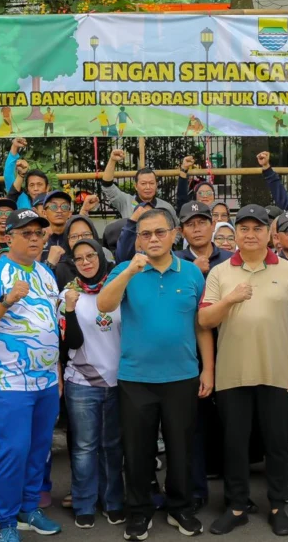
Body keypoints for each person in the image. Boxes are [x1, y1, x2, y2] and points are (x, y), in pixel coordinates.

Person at [97, 208, 215, 540]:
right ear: (138, 239)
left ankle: (179, 507)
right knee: (137, 450)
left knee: (181, 448)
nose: (153, 239)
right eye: (146, 234)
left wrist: (208, 369)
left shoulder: (192, 273)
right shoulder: (125, 269)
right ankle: (139, 511)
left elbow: (201, 326)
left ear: (174, 234)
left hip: (182, 376)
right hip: (136, 378)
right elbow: (104, 305)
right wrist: (129, 272)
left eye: (159, 232)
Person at [199, 205, 288, 536]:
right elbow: (204, 321)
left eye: (257, 228)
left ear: (269, 234)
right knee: (234, 443)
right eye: (243, 228)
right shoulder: (220, 273)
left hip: (277, 372)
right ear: (235, 235)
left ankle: (278, 505)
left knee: (277, 443)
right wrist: (231, 299)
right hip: (233, 374)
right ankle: (236, 506)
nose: (250, 234)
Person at [0, 209, 66, 541]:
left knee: (40, 449)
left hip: (46, 381)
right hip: (7, 381)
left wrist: (57, 374)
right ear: (9, 236)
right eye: (26, 233)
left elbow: (52, 326)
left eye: (39, 233)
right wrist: (7, 300)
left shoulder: (46, 274)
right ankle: (7, 522)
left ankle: (29, 508)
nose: (35, 239)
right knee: (14, 450)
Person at [60, 237, 122, 529]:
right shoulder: (68, 294)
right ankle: (84, 502)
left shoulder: (119, 288)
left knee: (112, 445)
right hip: (82, 383)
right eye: (79, 258)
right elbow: (71, 343)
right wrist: (70, 310)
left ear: (101, 256)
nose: (85, 262)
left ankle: (113, 501)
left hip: (118, 381)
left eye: (90, 256)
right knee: (85, 447)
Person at [100, 149, 177, 220]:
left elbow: (176, 231)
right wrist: (112, 160)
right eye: (143, 183)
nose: (148, 187)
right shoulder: (125, 202)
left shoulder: (167, 207)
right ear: (136, 186)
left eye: (151, 183)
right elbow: (107, 186)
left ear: (156, 185)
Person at [2, 139, 51, 210]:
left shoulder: (54, 204)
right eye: (31, 185)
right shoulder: (22, 201)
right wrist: (14, 147)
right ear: (27, 189)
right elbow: (8, 176)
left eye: (39, 184)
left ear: (47, 188)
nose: (35, 189)